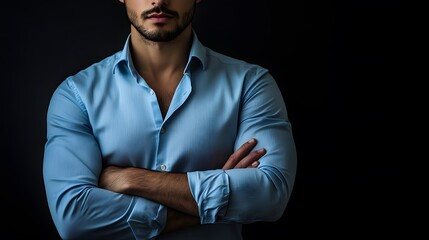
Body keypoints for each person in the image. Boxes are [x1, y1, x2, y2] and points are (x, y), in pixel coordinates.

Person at [42, 0, 297, 239]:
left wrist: (133, 179)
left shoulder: (250, 85)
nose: (159, 0)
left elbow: (271, 193)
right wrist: (219, 197)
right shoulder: (77, 95)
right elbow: (73, 217)